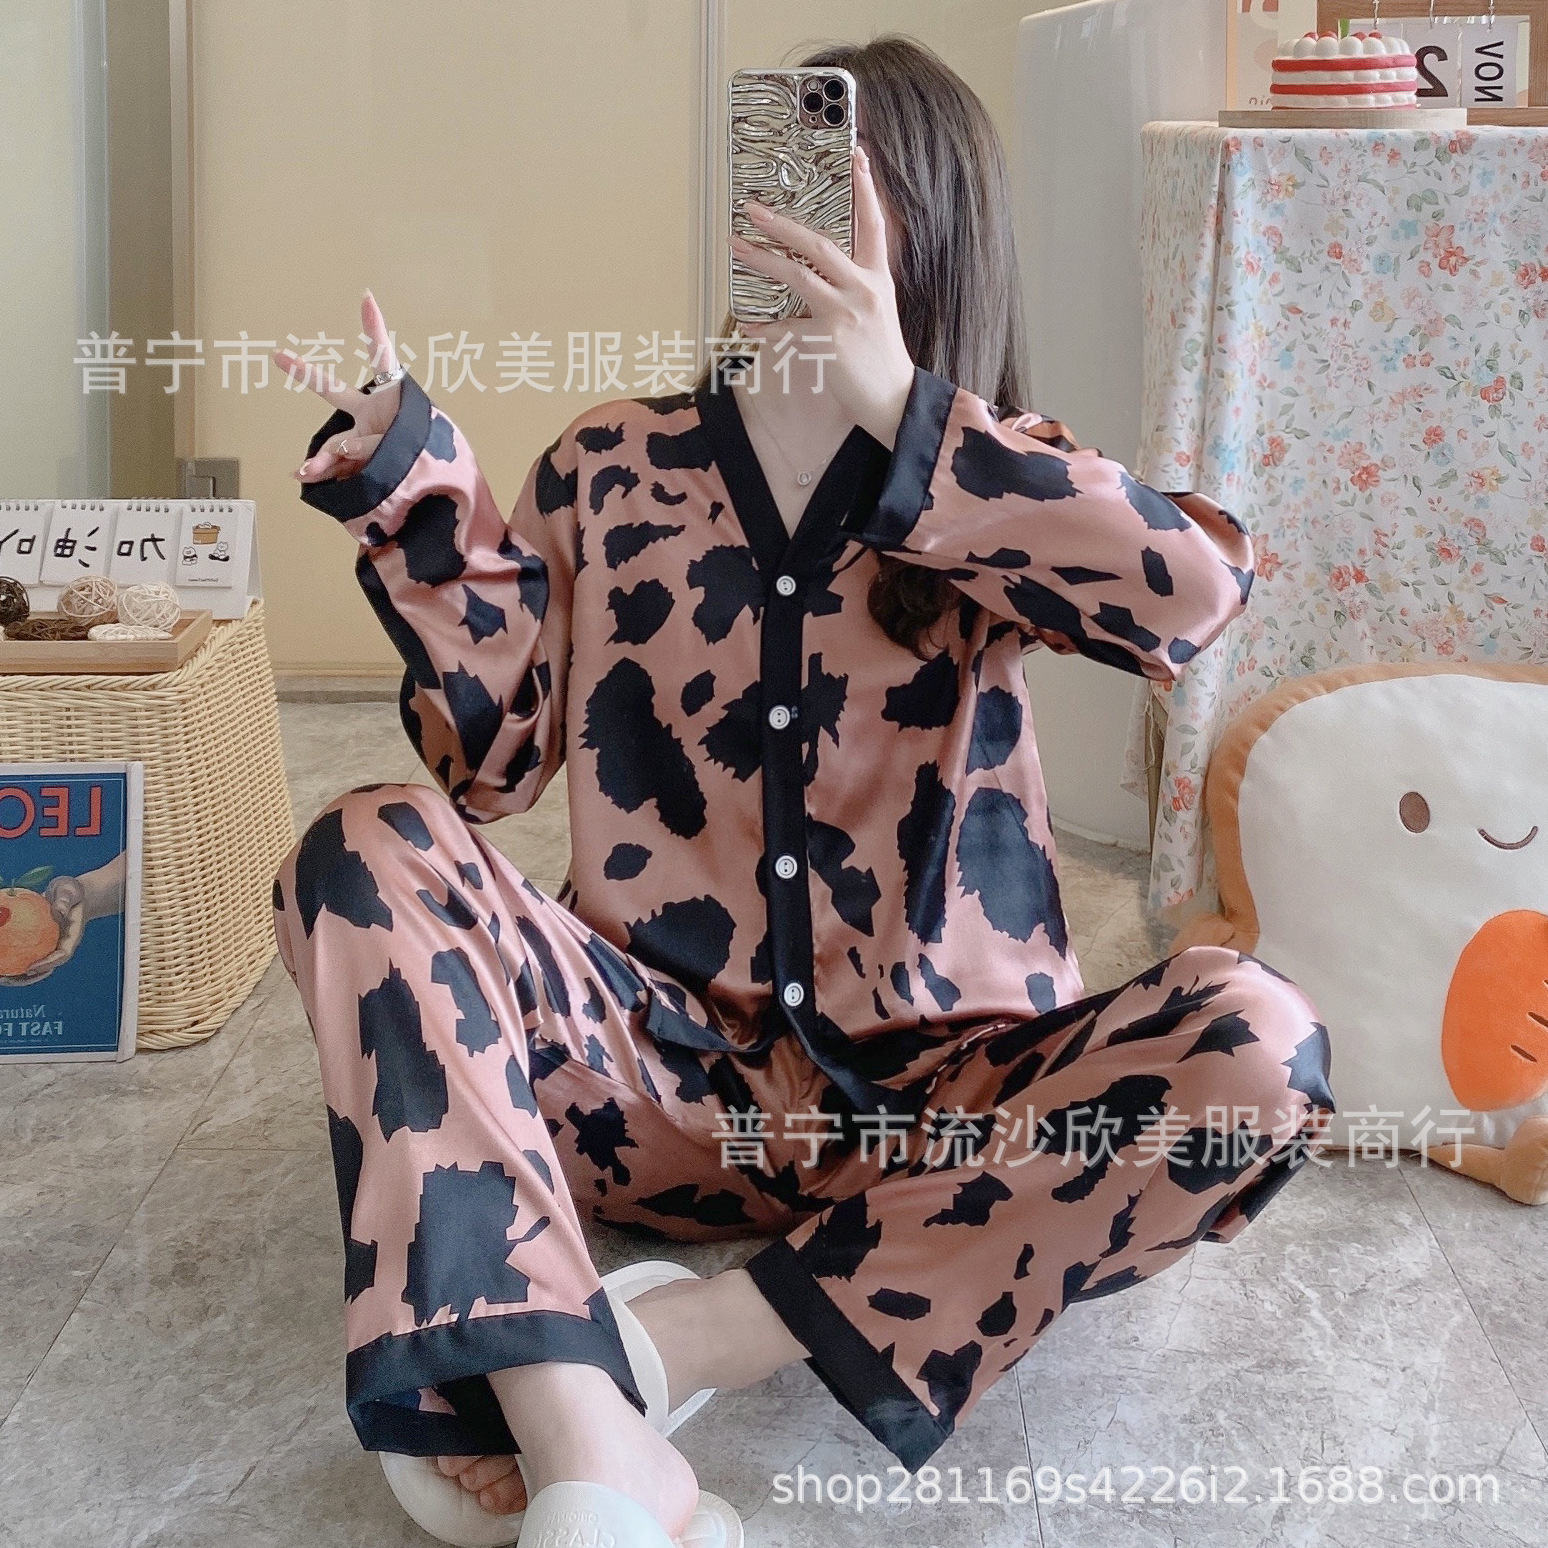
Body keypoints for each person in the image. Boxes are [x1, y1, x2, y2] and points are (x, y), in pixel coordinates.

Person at [270, 35, 1334, 1548]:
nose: (791, 225)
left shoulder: (995, 479)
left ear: (933, 232)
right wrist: (414, 497)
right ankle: (580, 1421)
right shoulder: (611, 467)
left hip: (950, 1120)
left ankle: (667, 1347)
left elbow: (1194, 595)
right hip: (647, 1093)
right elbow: (486, 769)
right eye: (770, 180)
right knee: (364, 842)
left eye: (841, 190)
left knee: (1257, 1046)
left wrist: (905, 410)